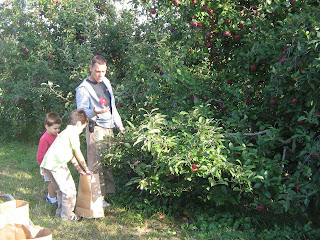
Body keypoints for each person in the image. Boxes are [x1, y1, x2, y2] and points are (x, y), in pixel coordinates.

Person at [75, 55, 125, 207]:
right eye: (97, 71)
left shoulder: (106, 83)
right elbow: (81, 113)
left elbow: (112, 106)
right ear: (90, 68)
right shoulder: (83, 89)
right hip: (95, 128)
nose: (100, 75)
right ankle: (96, 198)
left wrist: (119, 125)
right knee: (95, 164)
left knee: (108, 162)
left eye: (103, 71)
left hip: (109, 127)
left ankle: (107, 194)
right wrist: (94, 112)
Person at [40, 109, 91, 221]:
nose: (82, 130)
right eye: (83, 127)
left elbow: (70, 155)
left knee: (60, 190)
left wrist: (79, 170)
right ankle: (67, 216)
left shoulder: (65, 133)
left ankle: (61, 212)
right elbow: (77, 153)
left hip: (48, 164)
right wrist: (86, 168)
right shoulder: (73, 133)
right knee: (70, 190)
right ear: (78, 124)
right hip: (57, 165)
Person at [37, 112, 62, 206]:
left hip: (55, 163)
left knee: (57, 181)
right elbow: (40, 155)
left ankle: (49, 196)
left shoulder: (56, 136)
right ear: (47, 127)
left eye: (58, 128)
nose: (57, 130)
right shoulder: (44, 139)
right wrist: (42, 166)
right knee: (52, 182)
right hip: (47, 164)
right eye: (55, 128)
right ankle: (52, 199)